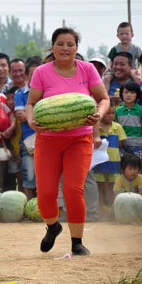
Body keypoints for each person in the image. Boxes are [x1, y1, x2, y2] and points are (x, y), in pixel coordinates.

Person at [26, 27, 109, 256]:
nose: (65, 48)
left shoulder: (88, 69)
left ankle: (77, 242)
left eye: (70, 44)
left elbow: (103, 99)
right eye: (60, 44)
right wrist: (31, 120)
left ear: (76, 48)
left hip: (79, 139)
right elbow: (31, 103)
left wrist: (99, 115)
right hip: (48, 139)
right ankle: (53, 227)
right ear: (52, 48)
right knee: (45, 193)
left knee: (74, 190)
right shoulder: (42, 72)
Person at [14, 59, 41, 200]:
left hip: (47, 140)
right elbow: (20, 116)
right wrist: (42, 114)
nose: (35, 77)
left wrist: (29, 113)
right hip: (28, 142)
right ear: (26, 75)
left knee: (46, 177)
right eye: (32, 74)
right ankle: (29, 208)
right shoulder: (20, 94)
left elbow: (25, 115)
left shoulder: (48, 92)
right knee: (29, 176)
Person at [93, 100, 126, 210]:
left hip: (114, 162)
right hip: (99, 163)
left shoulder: (118, 127)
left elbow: (121, 144)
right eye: (108, 113)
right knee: (100, 186)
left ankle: (111, 210)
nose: (111, 116)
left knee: (112, 186)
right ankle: (99, 209)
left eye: (113, 113)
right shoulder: (96, 128)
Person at [115, 80, 142, 157]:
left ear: (137, 94)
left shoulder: (140, 110)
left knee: (137, 167)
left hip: (138, 146)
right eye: (126, 92)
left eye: (132, 92)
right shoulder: (117, 111)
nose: (129, 95)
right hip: (122, 145)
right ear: (121, 94)